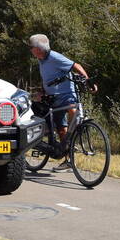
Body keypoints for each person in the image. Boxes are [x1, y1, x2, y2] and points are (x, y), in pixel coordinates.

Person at [28, 34, 94, 171]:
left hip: (66, 95)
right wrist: (42, 91)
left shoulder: (54, 57)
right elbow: (46, 78)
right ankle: (67, 158)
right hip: (53, 98)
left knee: (73, 110)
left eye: (31, 47)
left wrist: (88, 81)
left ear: (38, 49)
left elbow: (76, 65)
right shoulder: (41, 60)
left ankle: (72, 137)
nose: (30, 50)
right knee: (61, 128)